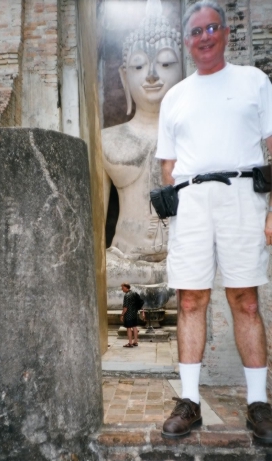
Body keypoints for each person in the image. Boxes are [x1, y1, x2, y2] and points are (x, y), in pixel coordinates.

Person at [155, 0, 272, 442]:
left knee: (245, 300)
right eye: (195, 32)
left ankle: (258, 403)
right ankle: (189, 402)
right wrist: (186, 199)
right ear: (187, 42)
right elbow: (167, 164)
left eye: (211, 29)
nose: (203, 37)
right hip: (192, 201)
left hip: (243, 195)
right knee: (190, 300)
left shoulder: (253, 81)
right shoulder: (175, 96)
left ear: (224, 33)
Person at [102, 0, 182, 297]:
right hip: (123, 262)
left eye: (165, 63)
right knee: (104, 267)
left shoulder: (191, 137)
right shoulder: (105, 140)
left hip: (181, 254)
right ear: (125, 76)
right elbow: (94, 226)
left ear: (184, 70)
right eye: (138, 65)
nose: (150, 75)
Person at [120, 283, 140, 347]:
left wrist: (122, 315)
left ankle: (130, 343)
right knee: (134, 327)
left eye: (123, 288)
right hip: (134, 313)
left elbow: (125, 307)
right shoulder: (134, 293)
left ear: (126, 287)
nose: (122, 289)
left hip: (128, 314)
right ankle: (136, 341)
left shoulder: (126, 295)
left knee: (129, 328)